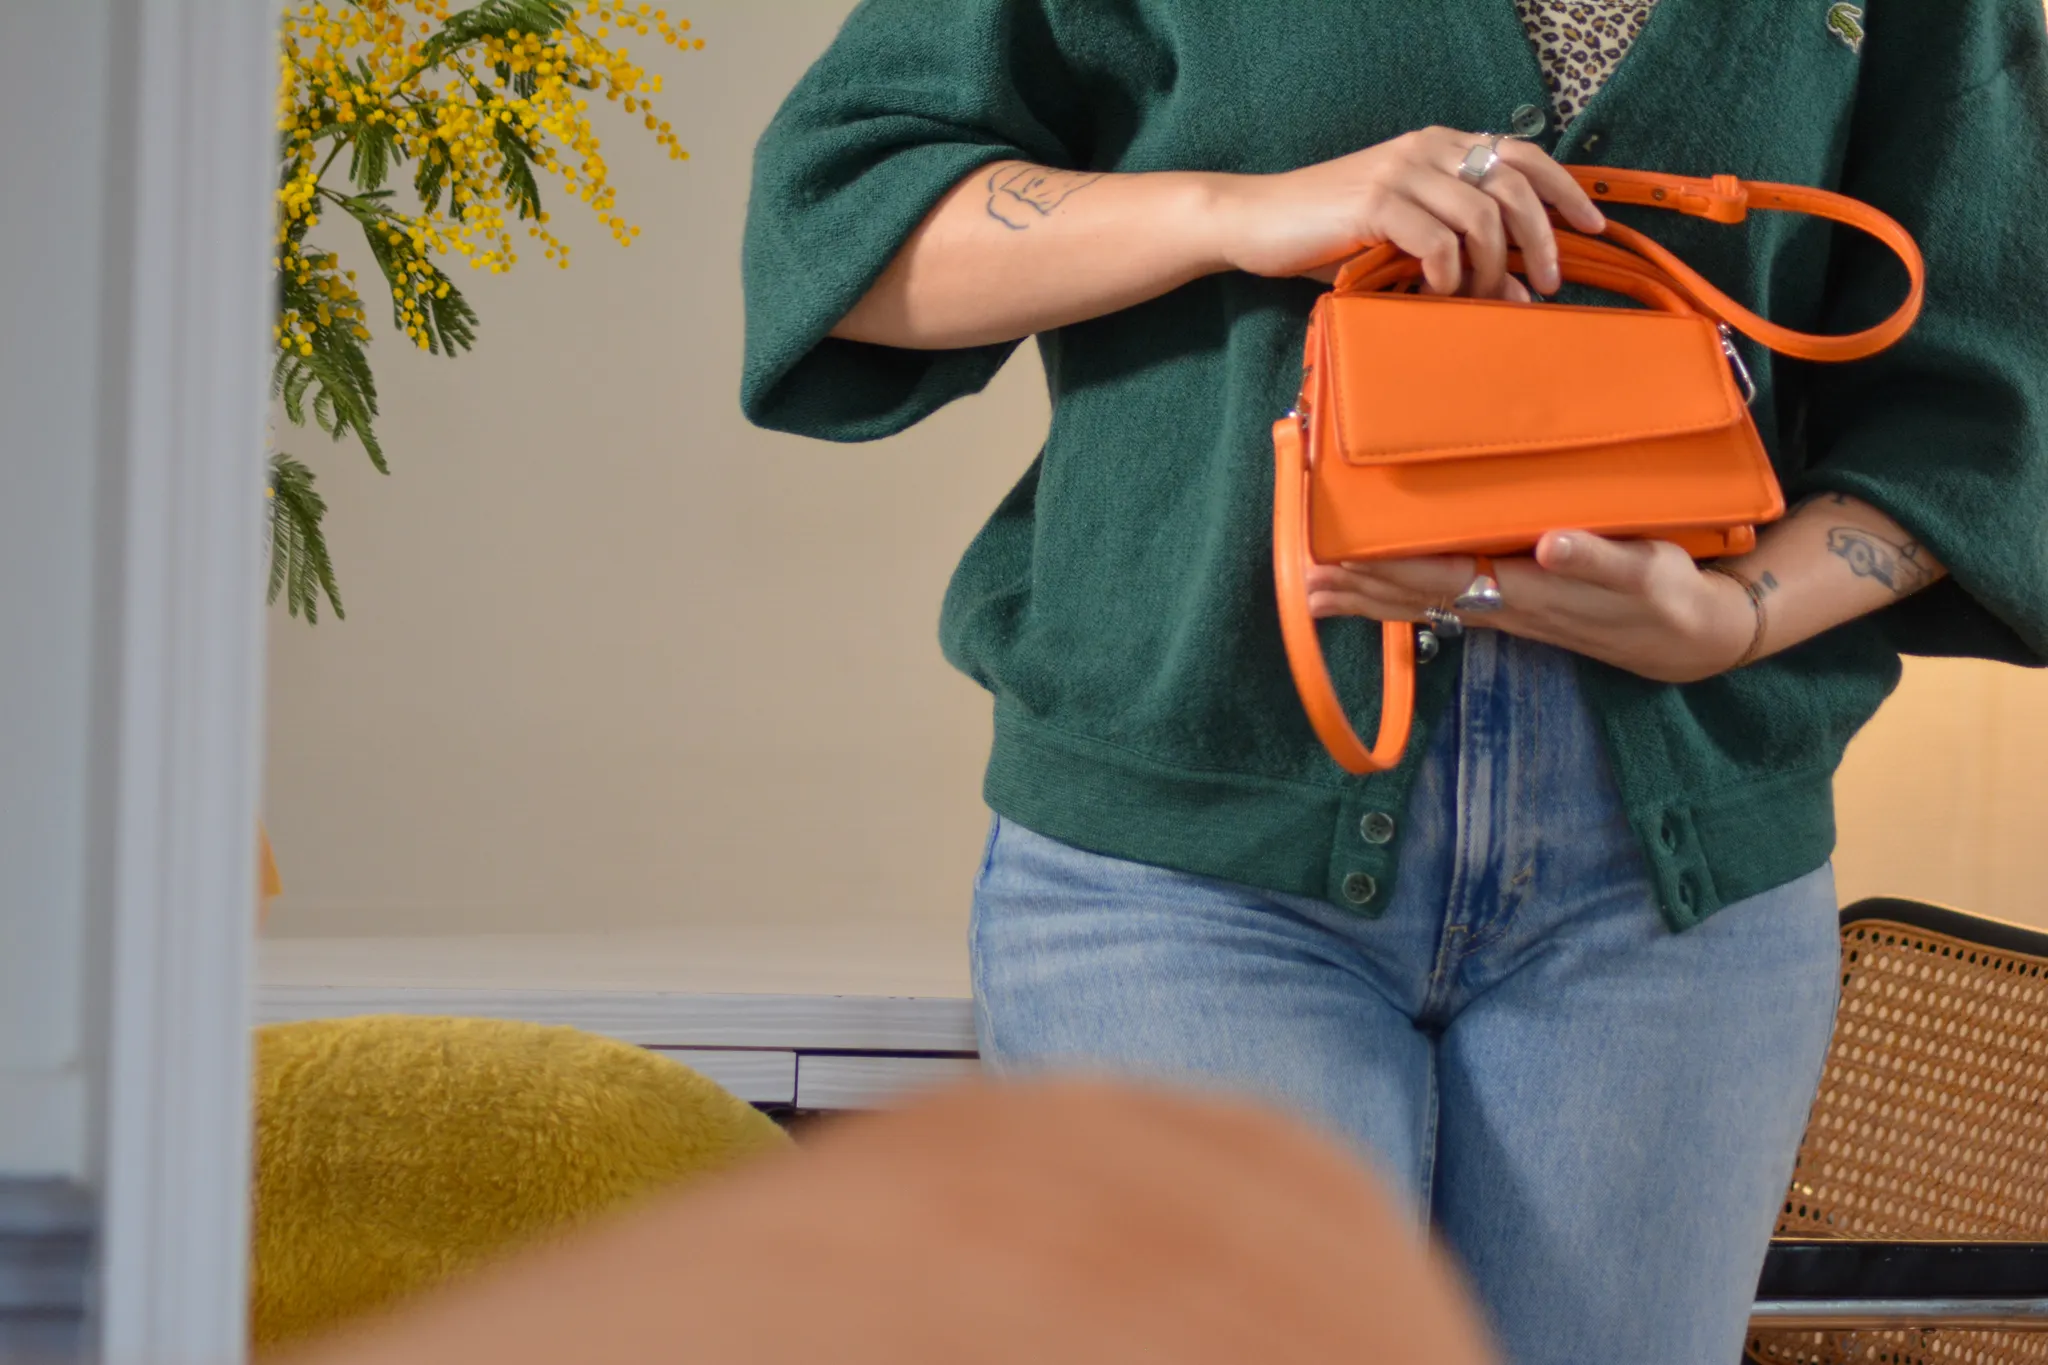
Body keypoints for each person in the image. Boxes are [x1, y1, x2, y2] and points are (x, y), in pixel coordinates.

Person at [740, 2, 2048, 1360]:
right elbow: (848, 219)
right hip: (1189, 863)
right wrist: (1239, 211)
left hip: (1677, 894)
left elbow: (1997, 387)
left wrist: (1737, 616)